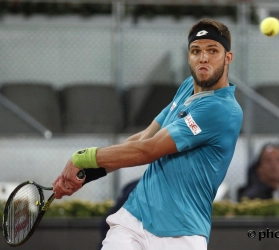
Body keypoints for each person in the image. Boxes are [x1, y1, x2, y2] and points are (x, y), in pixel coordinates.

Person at [52, 18, 243, 250]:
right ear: (189, 56)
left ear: (228, 58)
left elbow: (148, 151)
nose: (203, 58)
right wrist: (87, 173)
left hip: (180, 233)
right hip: (134, 218)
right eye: (196, 51)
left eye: (213, 50)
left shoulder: (222, 109)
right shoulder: (187, 87)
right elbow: (143, 139)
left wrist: (81, 158)